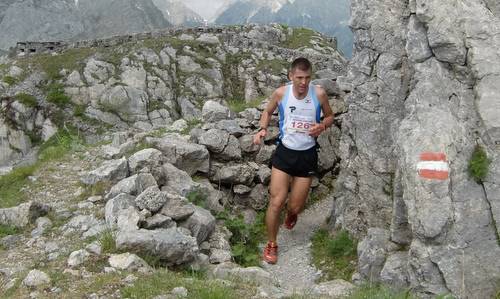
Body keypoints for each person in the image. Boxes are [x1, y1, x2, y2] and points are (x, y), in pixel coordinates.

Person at [253, 57, 334, 264]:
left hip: (307, 156)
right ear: (291, 76)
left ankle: (292, 214)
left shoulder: (319, 94)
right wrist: (262, 129)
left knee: (295, 207)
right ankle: (271, 245)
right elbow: (267, 111)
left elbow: (330, 116)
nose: (303, 83)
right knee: (276, 201)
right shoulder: (281, 93)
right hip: (285, 153)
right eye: (299, 78)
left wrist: (322, 126)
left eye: (307, 78)